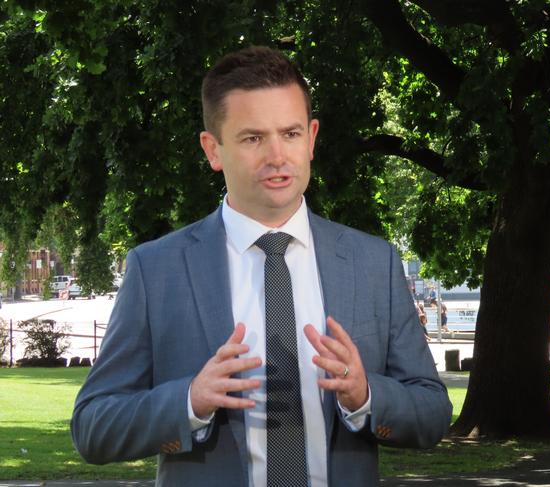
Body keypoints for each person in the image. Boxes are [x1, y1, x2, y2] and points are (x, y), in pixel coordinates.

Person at [70, 46, 452, 486]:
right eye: (253, 138)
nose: (277, 156)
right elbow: (93, 427)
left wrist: (365, 397)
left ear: (311, 138)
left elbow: (432, 413)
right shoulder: (157, 269)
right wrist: (189, 401)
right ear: (213, 150)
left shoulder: (373, 263)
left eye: (290, 134)